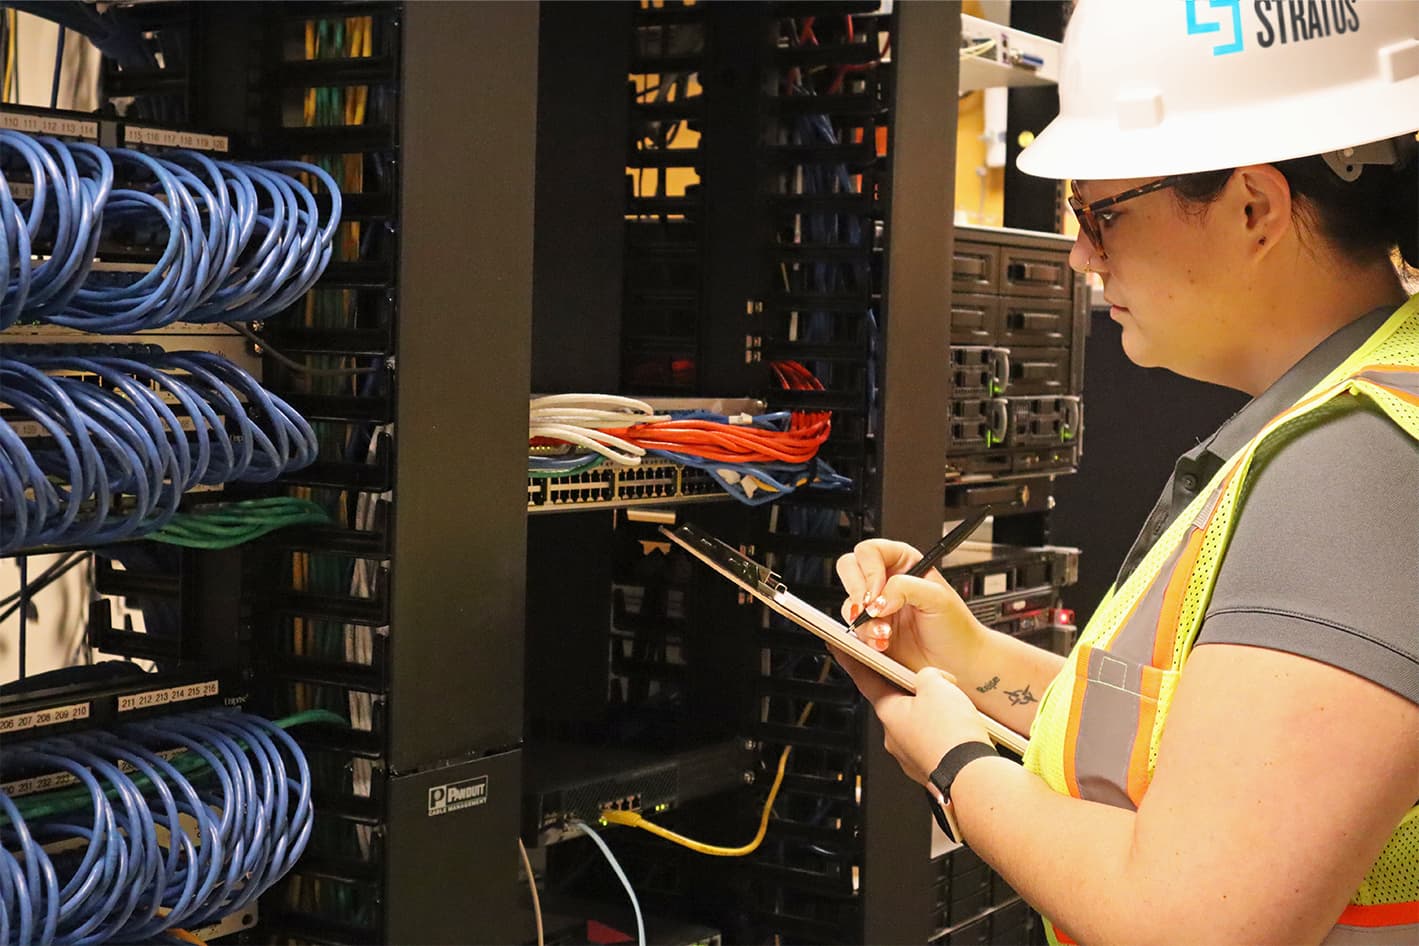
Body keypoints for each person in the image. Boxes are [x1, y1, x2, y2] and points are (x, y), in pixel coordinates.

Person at [833, 2, 1419, 943]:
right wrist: (968, 658)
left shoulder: (1359, 469)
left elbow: (1190, 923)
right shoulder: (1359, 412)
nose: (1078, 255)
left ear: (1252, 207)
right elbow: (1212, 748)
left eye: (1098, 215)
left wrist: (952, 764)